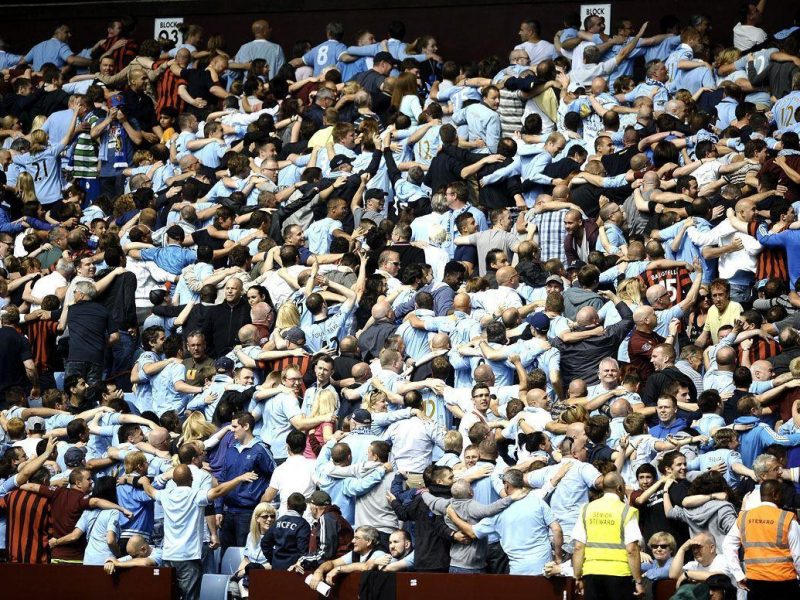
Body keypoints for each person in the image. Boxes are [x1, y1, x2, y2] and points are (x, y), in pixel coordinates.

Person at [138, 465, 258, 600]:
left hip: (168, 556)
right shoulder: (196, 495)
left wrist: (144, 481)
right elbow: (218, 490)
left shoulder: (165, 494)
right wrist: (239, 479)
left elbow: (150, 491)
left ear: (174, 480)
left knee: (170, 595)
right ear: (192, 478)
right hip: (189, 557)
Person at [571, 472, 644, 600]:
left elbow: (578, 547)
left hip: (591, 573)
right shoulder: (626, 511)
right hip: (620, 574)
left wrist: (577, 576)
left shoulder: (587, 509)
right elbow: (632, 549)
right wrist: (638, 581)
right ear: (620, 488)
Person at [723, 479, 800, 598]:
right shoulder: (787, 519)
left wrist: (738, 574)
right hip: (785, 583)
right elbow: (798, 555)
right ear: (775, 494)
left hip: (755, 583)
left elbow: (727, 545)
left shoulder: (744, 518)